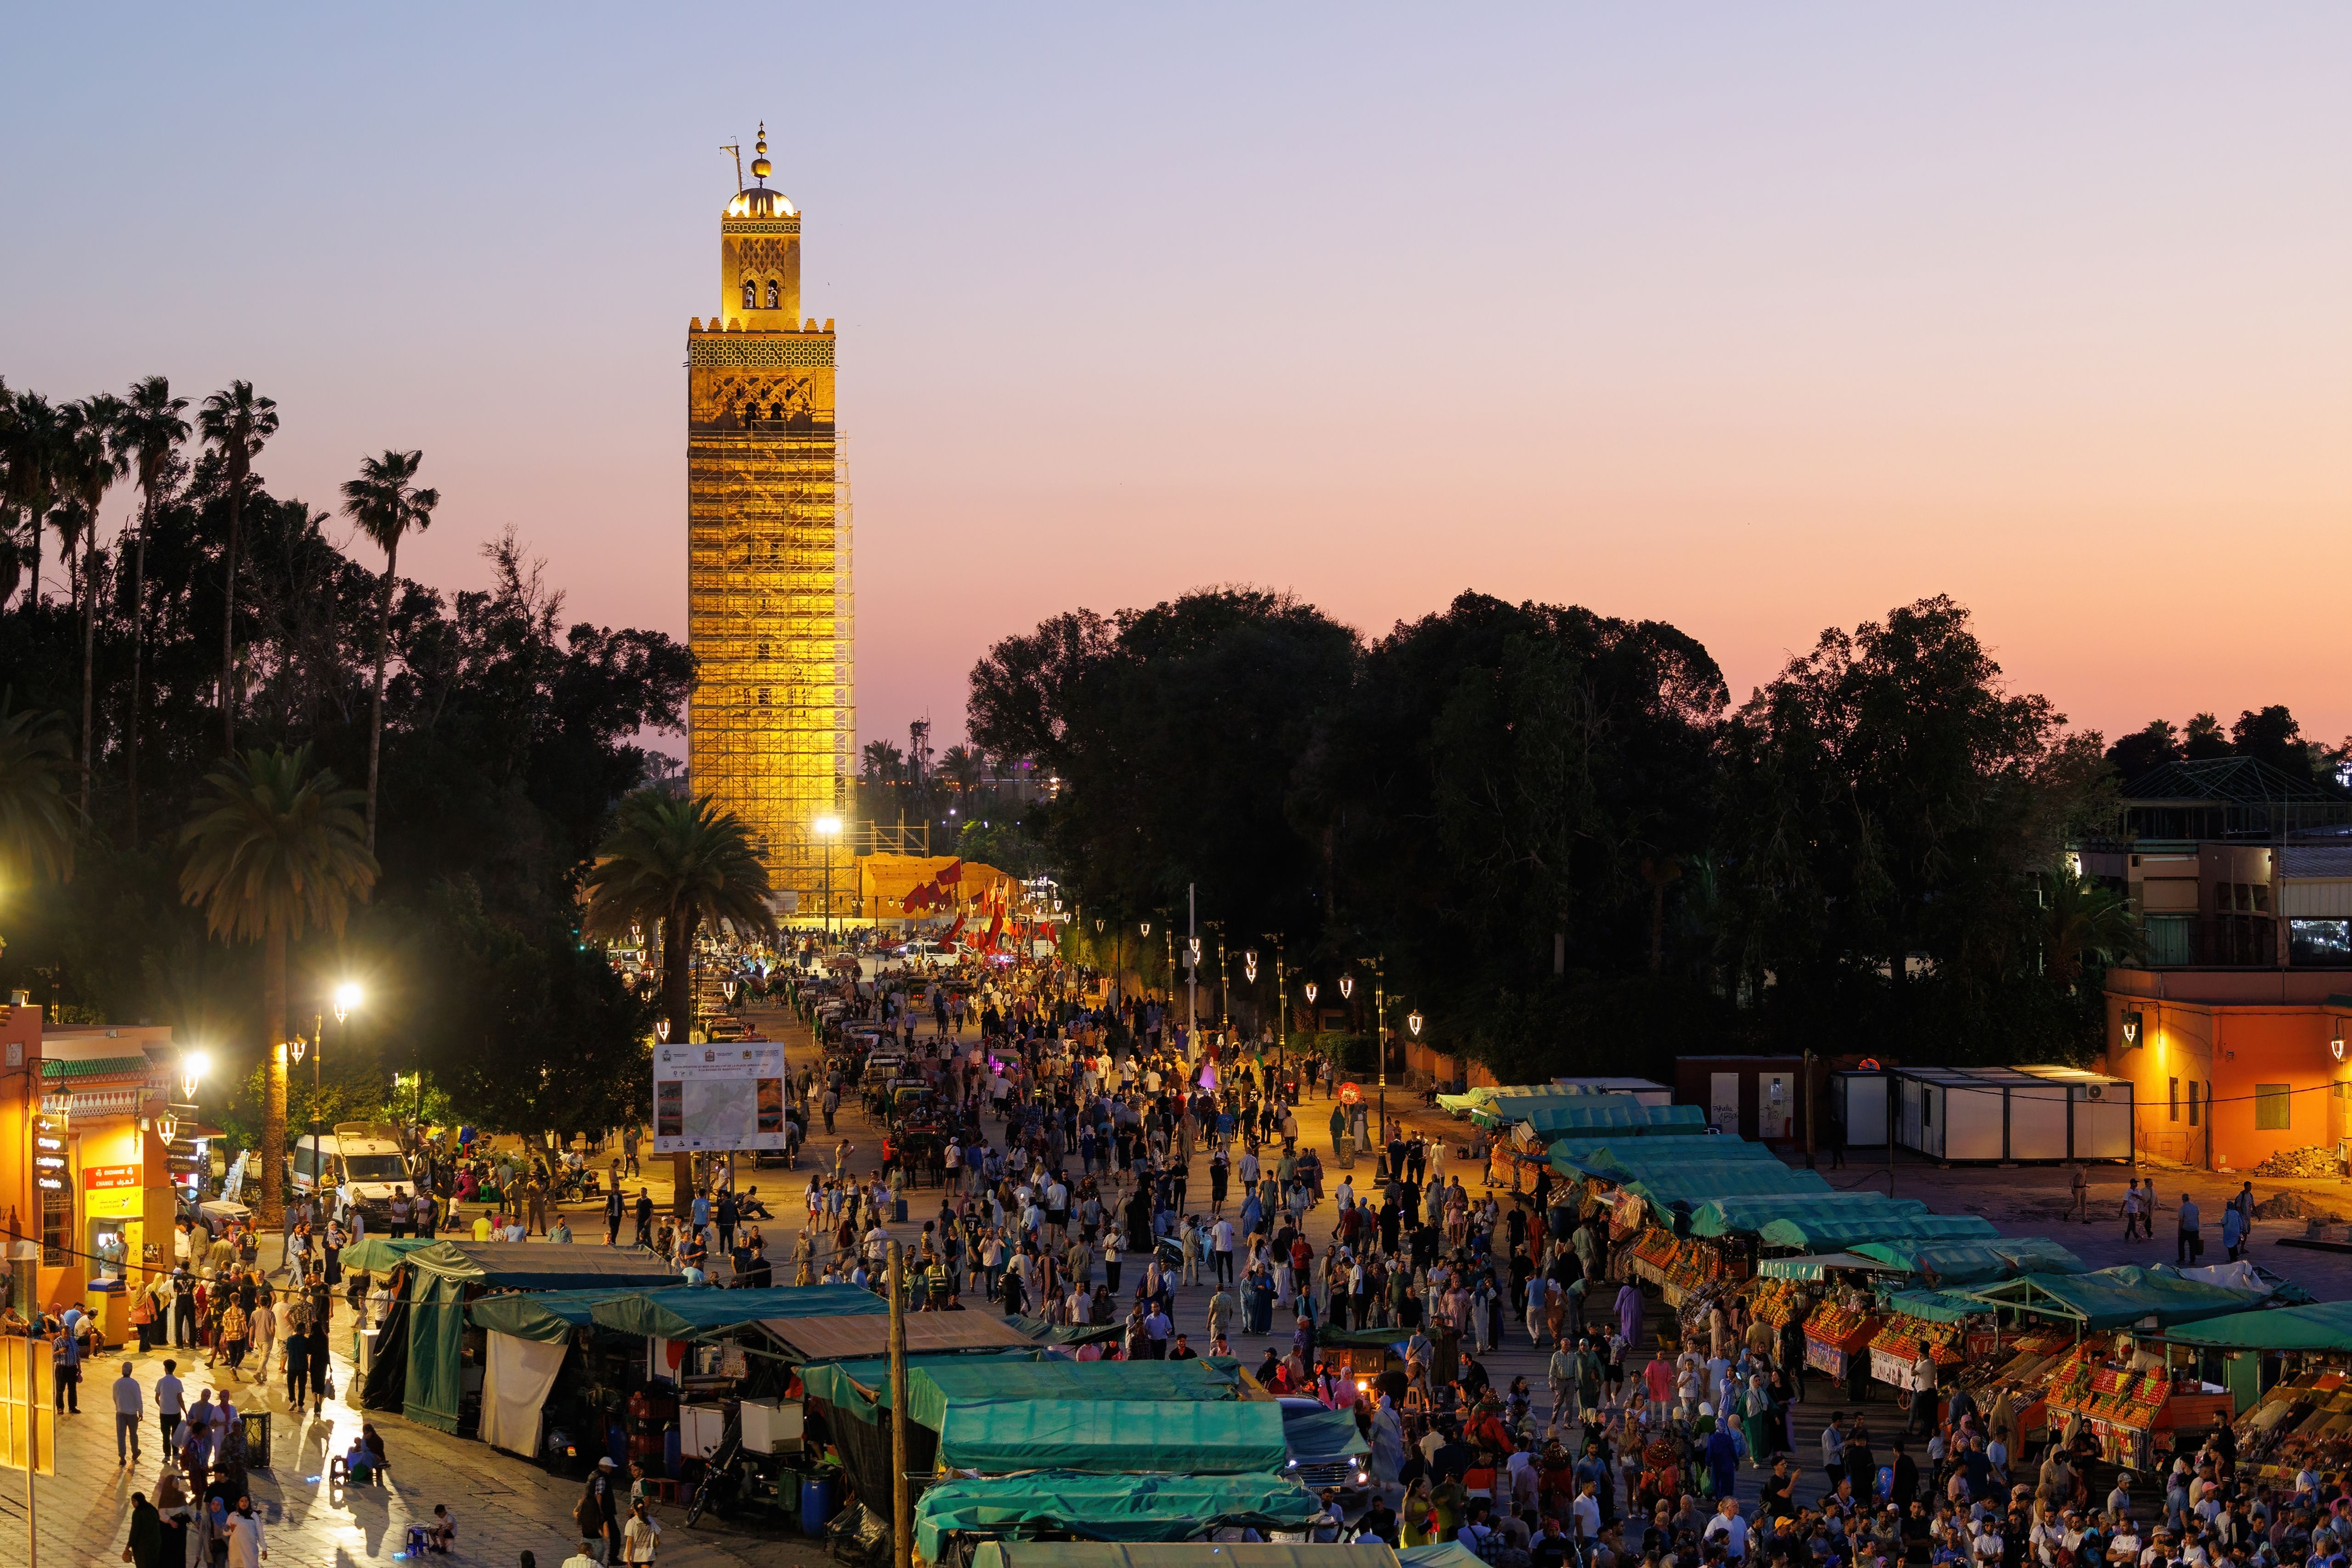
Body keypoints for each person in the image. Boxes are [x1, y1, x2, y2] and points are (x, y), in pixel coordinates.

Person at [113, 1359, 144, 1465]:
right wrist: (141, 1412)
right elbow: (138, 1399)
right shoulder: (134, 1384)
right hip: (132, 1413)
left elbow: (115, 1397)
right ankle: (135, 1451)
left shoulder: (117, 1383)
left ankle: (122, 1457)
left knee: (121, 1435)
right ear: (131, 1371)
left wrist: (119, 1407)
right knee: (133, 1434)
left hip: (120, 1412)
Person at [622, 1498, 662, 1562]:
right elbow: (657, 1534)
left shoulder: (631, 1522)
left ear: (634, 1509)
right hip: (648, 1556)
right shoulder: (650, 1520)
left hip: (635, 1556)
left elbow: (630, 1541)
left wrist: (628, 1557)